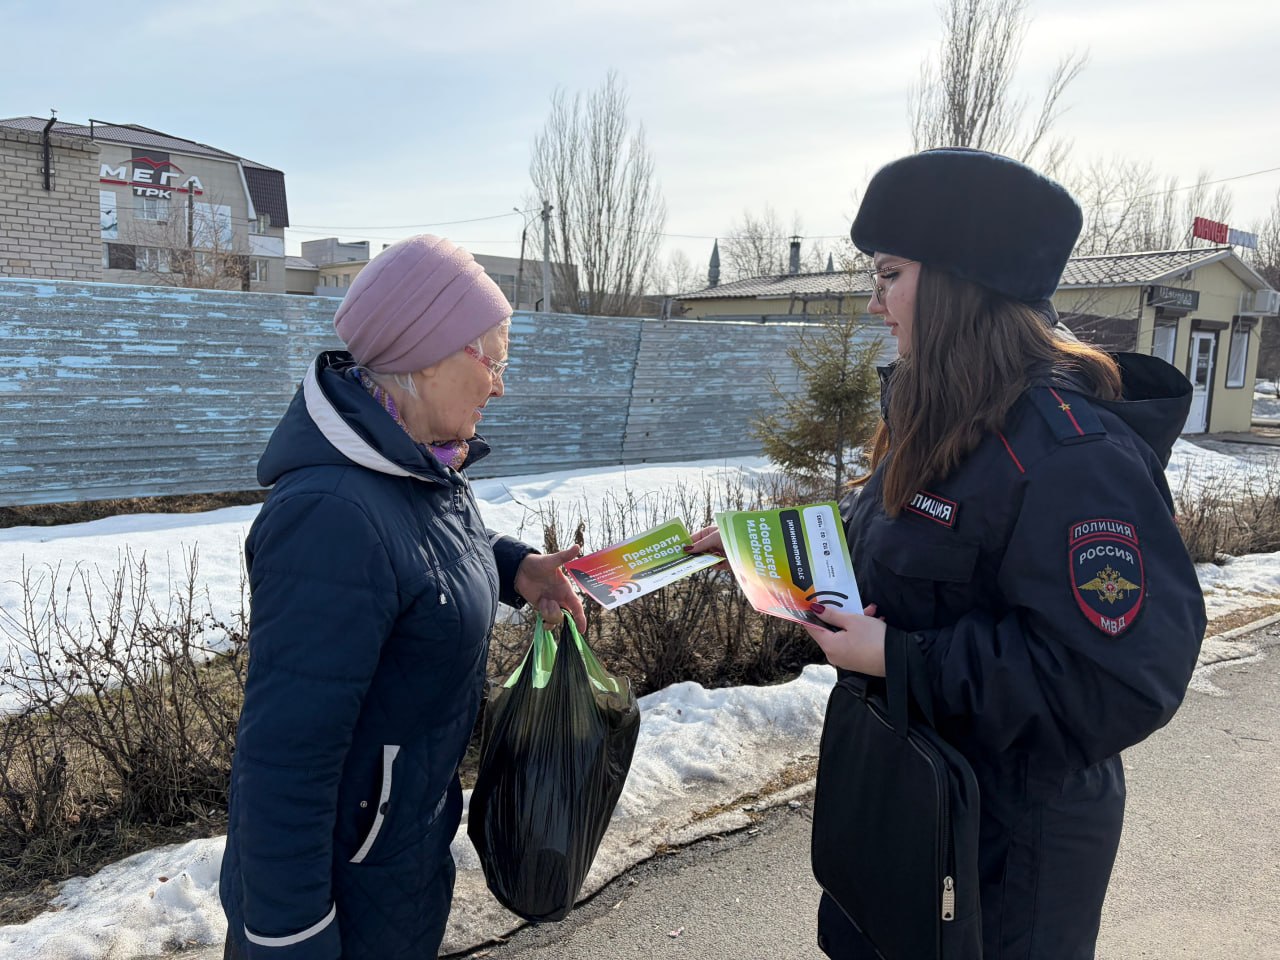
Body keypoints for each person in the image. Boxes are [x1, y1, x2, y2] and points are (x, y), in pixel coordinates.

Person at [689, 149, 1205, 959]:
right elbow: (908, 555)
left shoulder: (1074, 456)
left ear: (963, 285)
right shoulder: (945, 416)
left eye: (889, 274)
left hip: (1004, 868)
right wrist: (775, 551)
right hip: (902, 822)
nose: (873, 303)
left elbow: (1116, 681)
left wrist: (904, 657)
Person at [218, 234, 586, 960]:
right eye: (493, 361)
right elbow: (284, 757)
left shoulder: (413, 464)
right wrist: (288, 935)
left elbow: (422, 549)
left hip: (399, 862)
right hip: (338, 893)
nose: (500, 386)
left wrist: (514, 567)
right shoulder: (328, 514)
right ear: (425, 355)